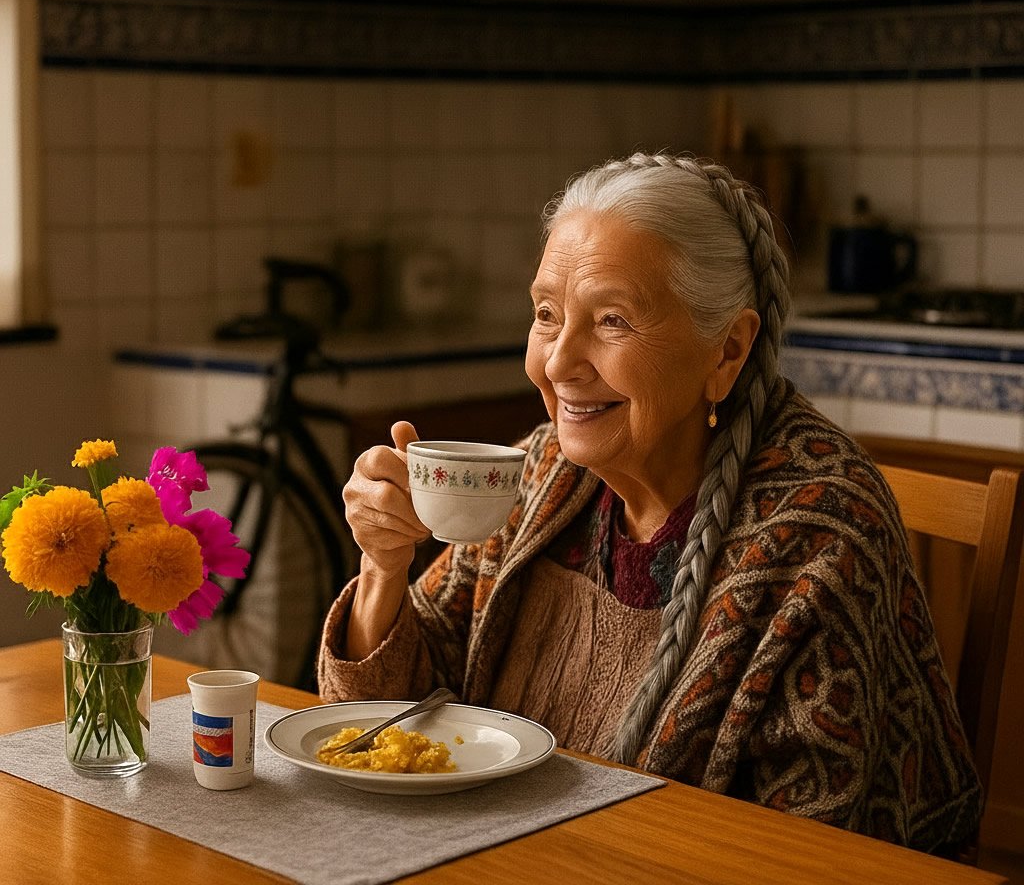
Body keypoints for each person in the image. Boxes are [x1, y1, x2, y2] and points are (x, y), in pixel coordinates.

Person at [319, 152, 981, 853]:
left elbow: (811, 850)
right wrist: (383, 568)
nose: (557, 361)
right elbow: (382, 725)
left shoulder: (821, 532)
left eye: (611, 320)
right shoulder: (543, 472)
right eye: (547, 314)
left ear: (728, 350)